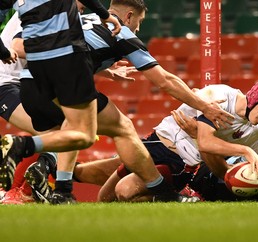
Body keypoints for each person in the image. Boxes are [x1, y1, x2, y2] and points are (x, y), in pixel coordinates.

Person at [1, 0, 233, 204]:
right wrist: (204, 107)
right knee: (122, 128)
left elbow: (25, 45)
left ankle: (59, 188)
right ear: (129, 16)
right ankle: (163, 191)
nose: (138, 28)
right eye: (139, 22)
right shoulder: (121, 33)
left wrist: (103, 69)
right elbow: (165, 80)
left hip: (30, 83)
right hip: (57, 82)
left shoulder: (74, 17)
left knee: (70, 131)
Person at [96, 79, 258, 202]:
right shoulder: (221, 95)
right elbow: (208, 142)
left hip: (180, 162)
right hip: (155, 142)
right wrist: (247, 152)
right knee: (103, 198)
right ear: (256, 97)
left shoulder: (253, 133)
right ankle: (172, 201)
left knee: (124, 191)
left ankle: (169, 201)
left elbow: (215, 148)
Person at [0, 0, 122, 203]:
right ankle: (13, 191)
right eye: (80, 8)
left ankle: (30, 190)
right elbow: (19, 47)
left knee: (65, 131)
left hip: (26, 79)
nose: (80, 12)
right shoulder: (43, 13)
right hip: (5, 84)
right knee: (60, 135)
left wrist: (106, 71)